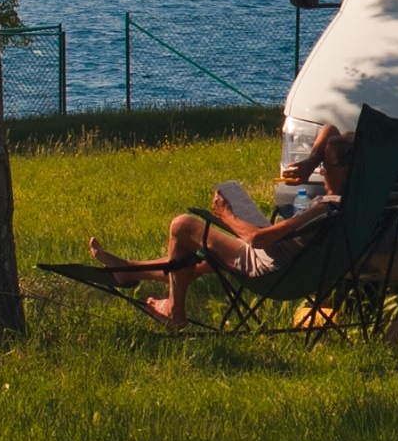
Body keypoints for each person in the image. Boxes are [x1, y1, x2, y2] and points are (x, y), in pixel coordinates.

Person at [89, 118, 350, 322]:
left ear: (345, 170)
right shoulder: (351, 202)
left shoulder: (326, 207)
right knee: (200, 261)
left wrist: (227, 215)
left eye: (325, 166)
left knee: (182, 226)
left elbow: (257, 239)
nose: (322, 172)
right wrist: (312, 160)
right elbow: (331, 129)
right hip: (289, 261)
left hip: (272, 269)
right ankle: (126, 270)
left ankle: (174, 311)